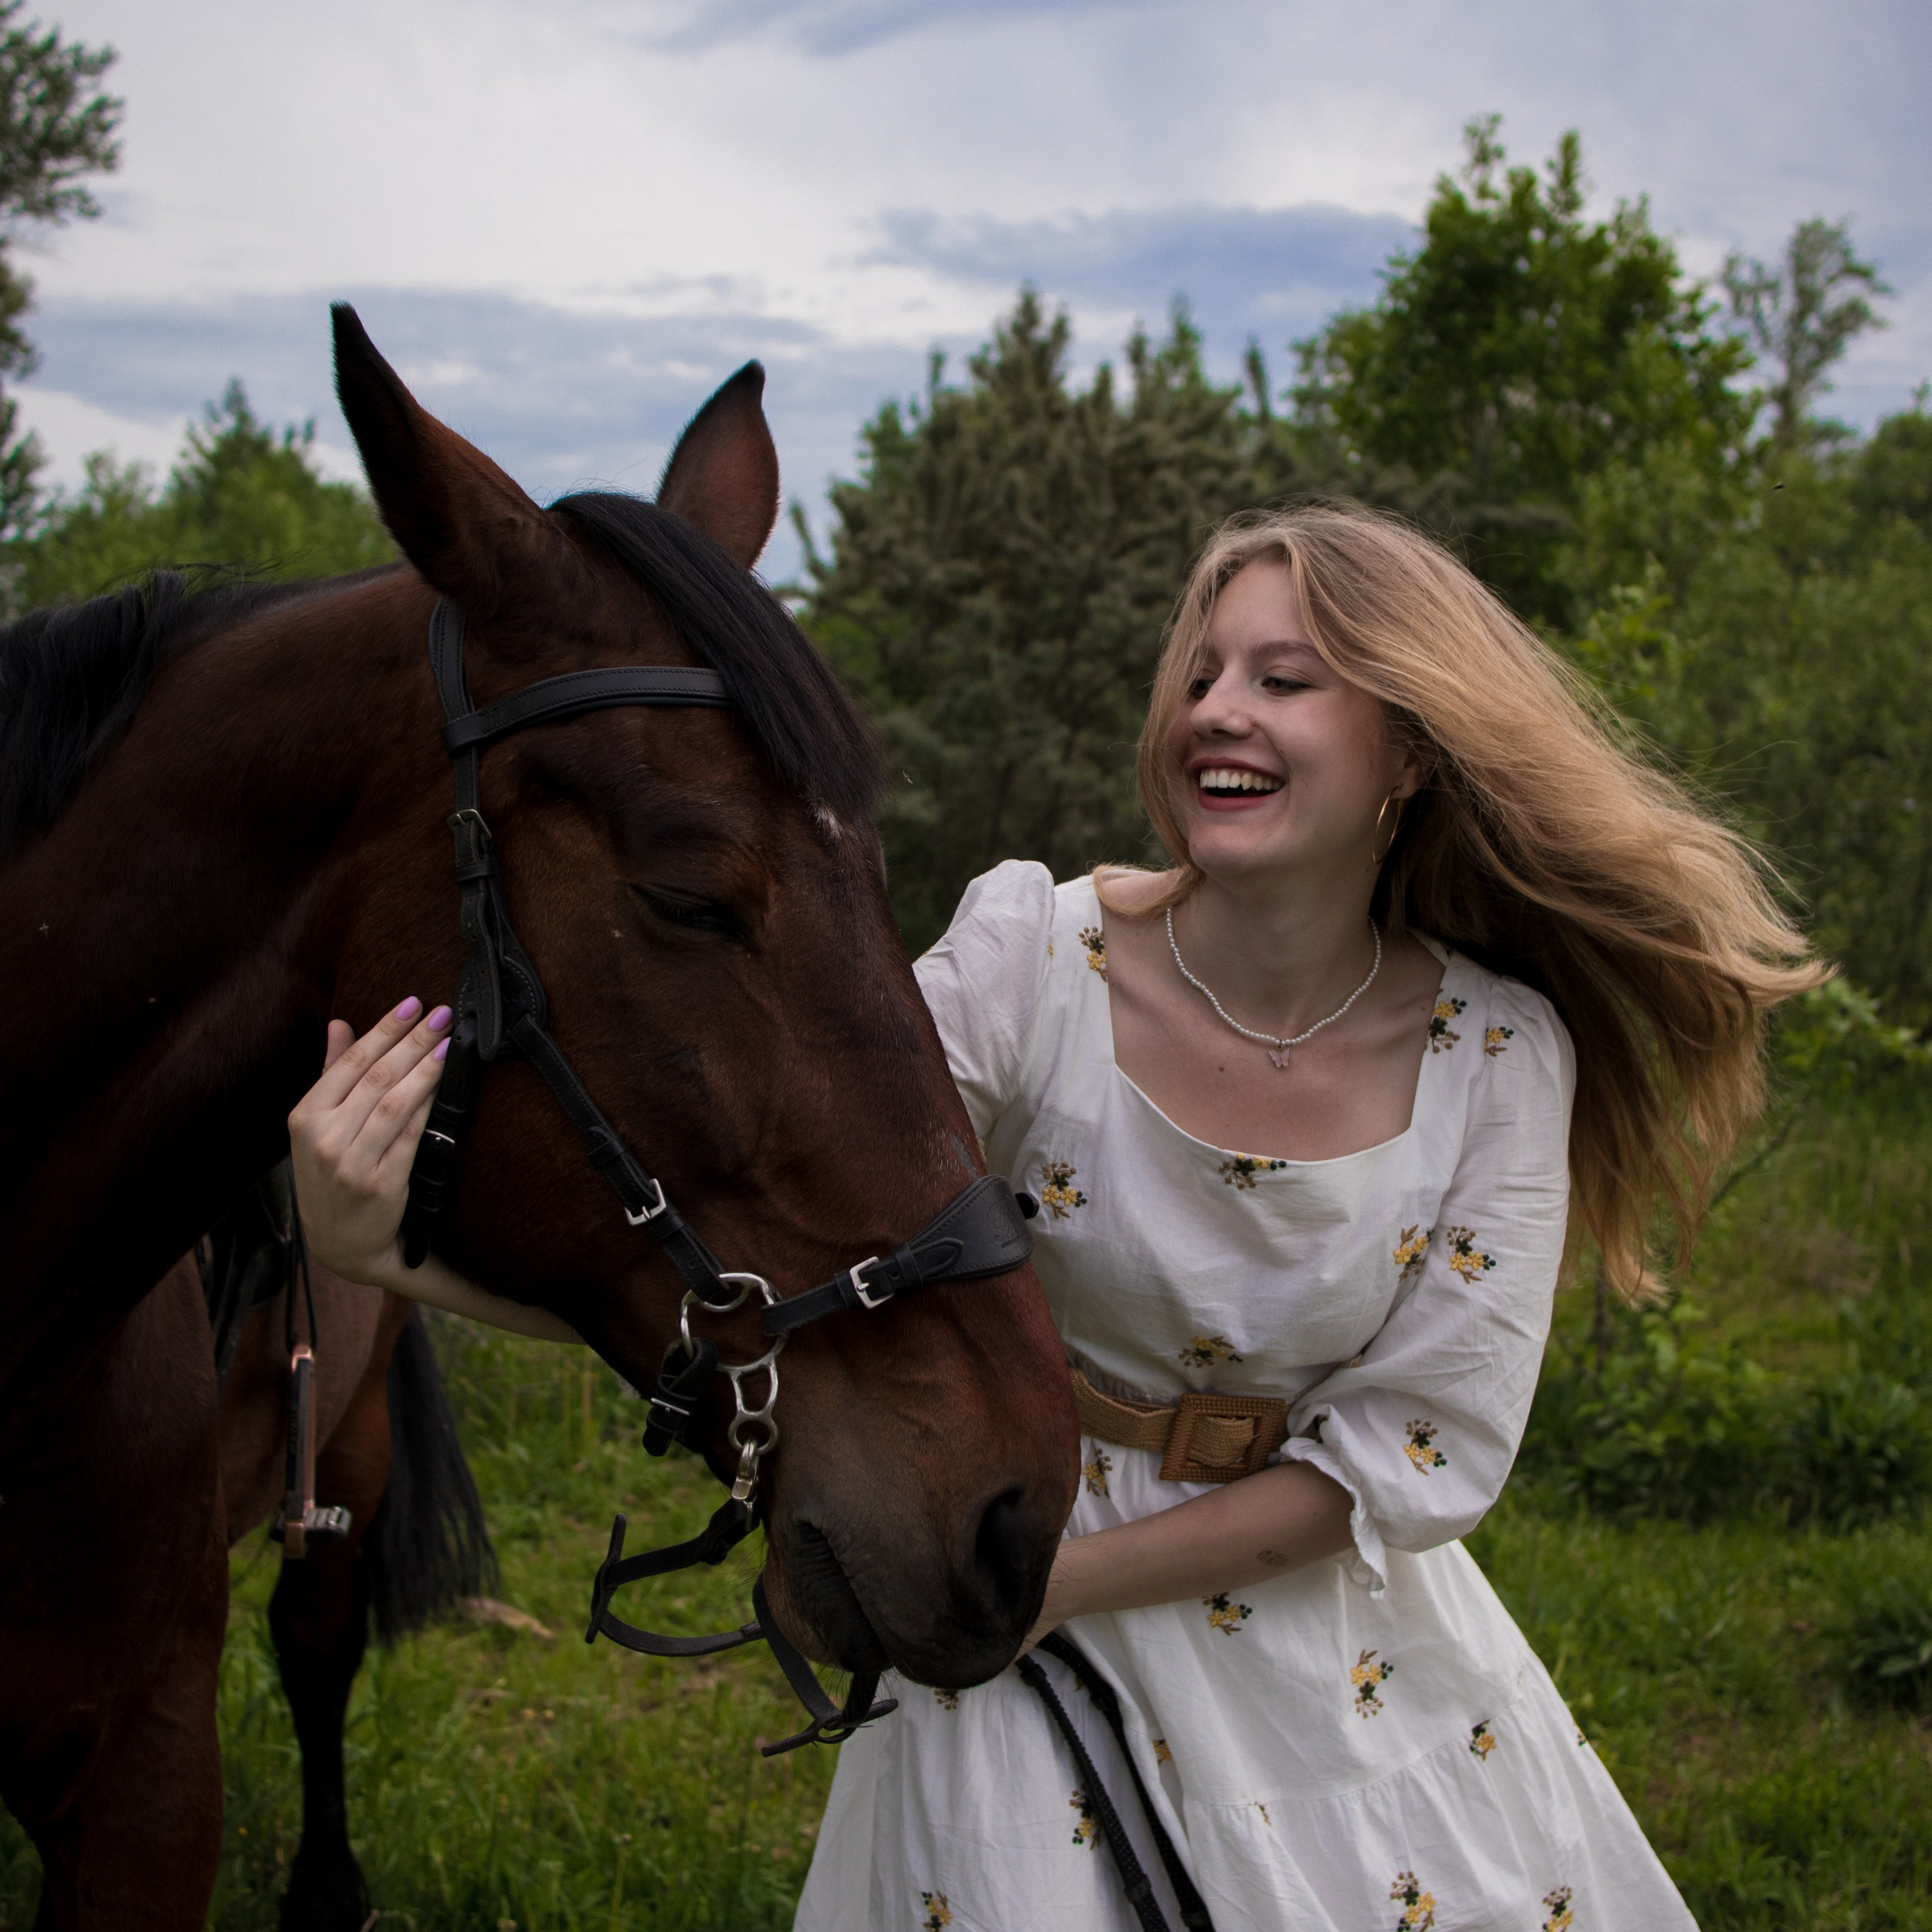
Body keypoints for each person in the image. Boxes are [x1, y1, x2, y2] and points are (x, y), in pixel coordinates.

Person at [291, 503, 1817, 1930]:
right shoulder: (1037, 952)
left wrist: (1053, 1591)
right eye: (1202, 670)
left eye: (1285, 678)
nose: (1217, 706)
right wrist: (390, 1252)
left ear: (1407, 750)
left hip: (1327, 1641)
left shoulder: (1497, 1054)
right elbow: (767, 1259)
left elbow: (1410, 1456)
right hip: (993, 1523)